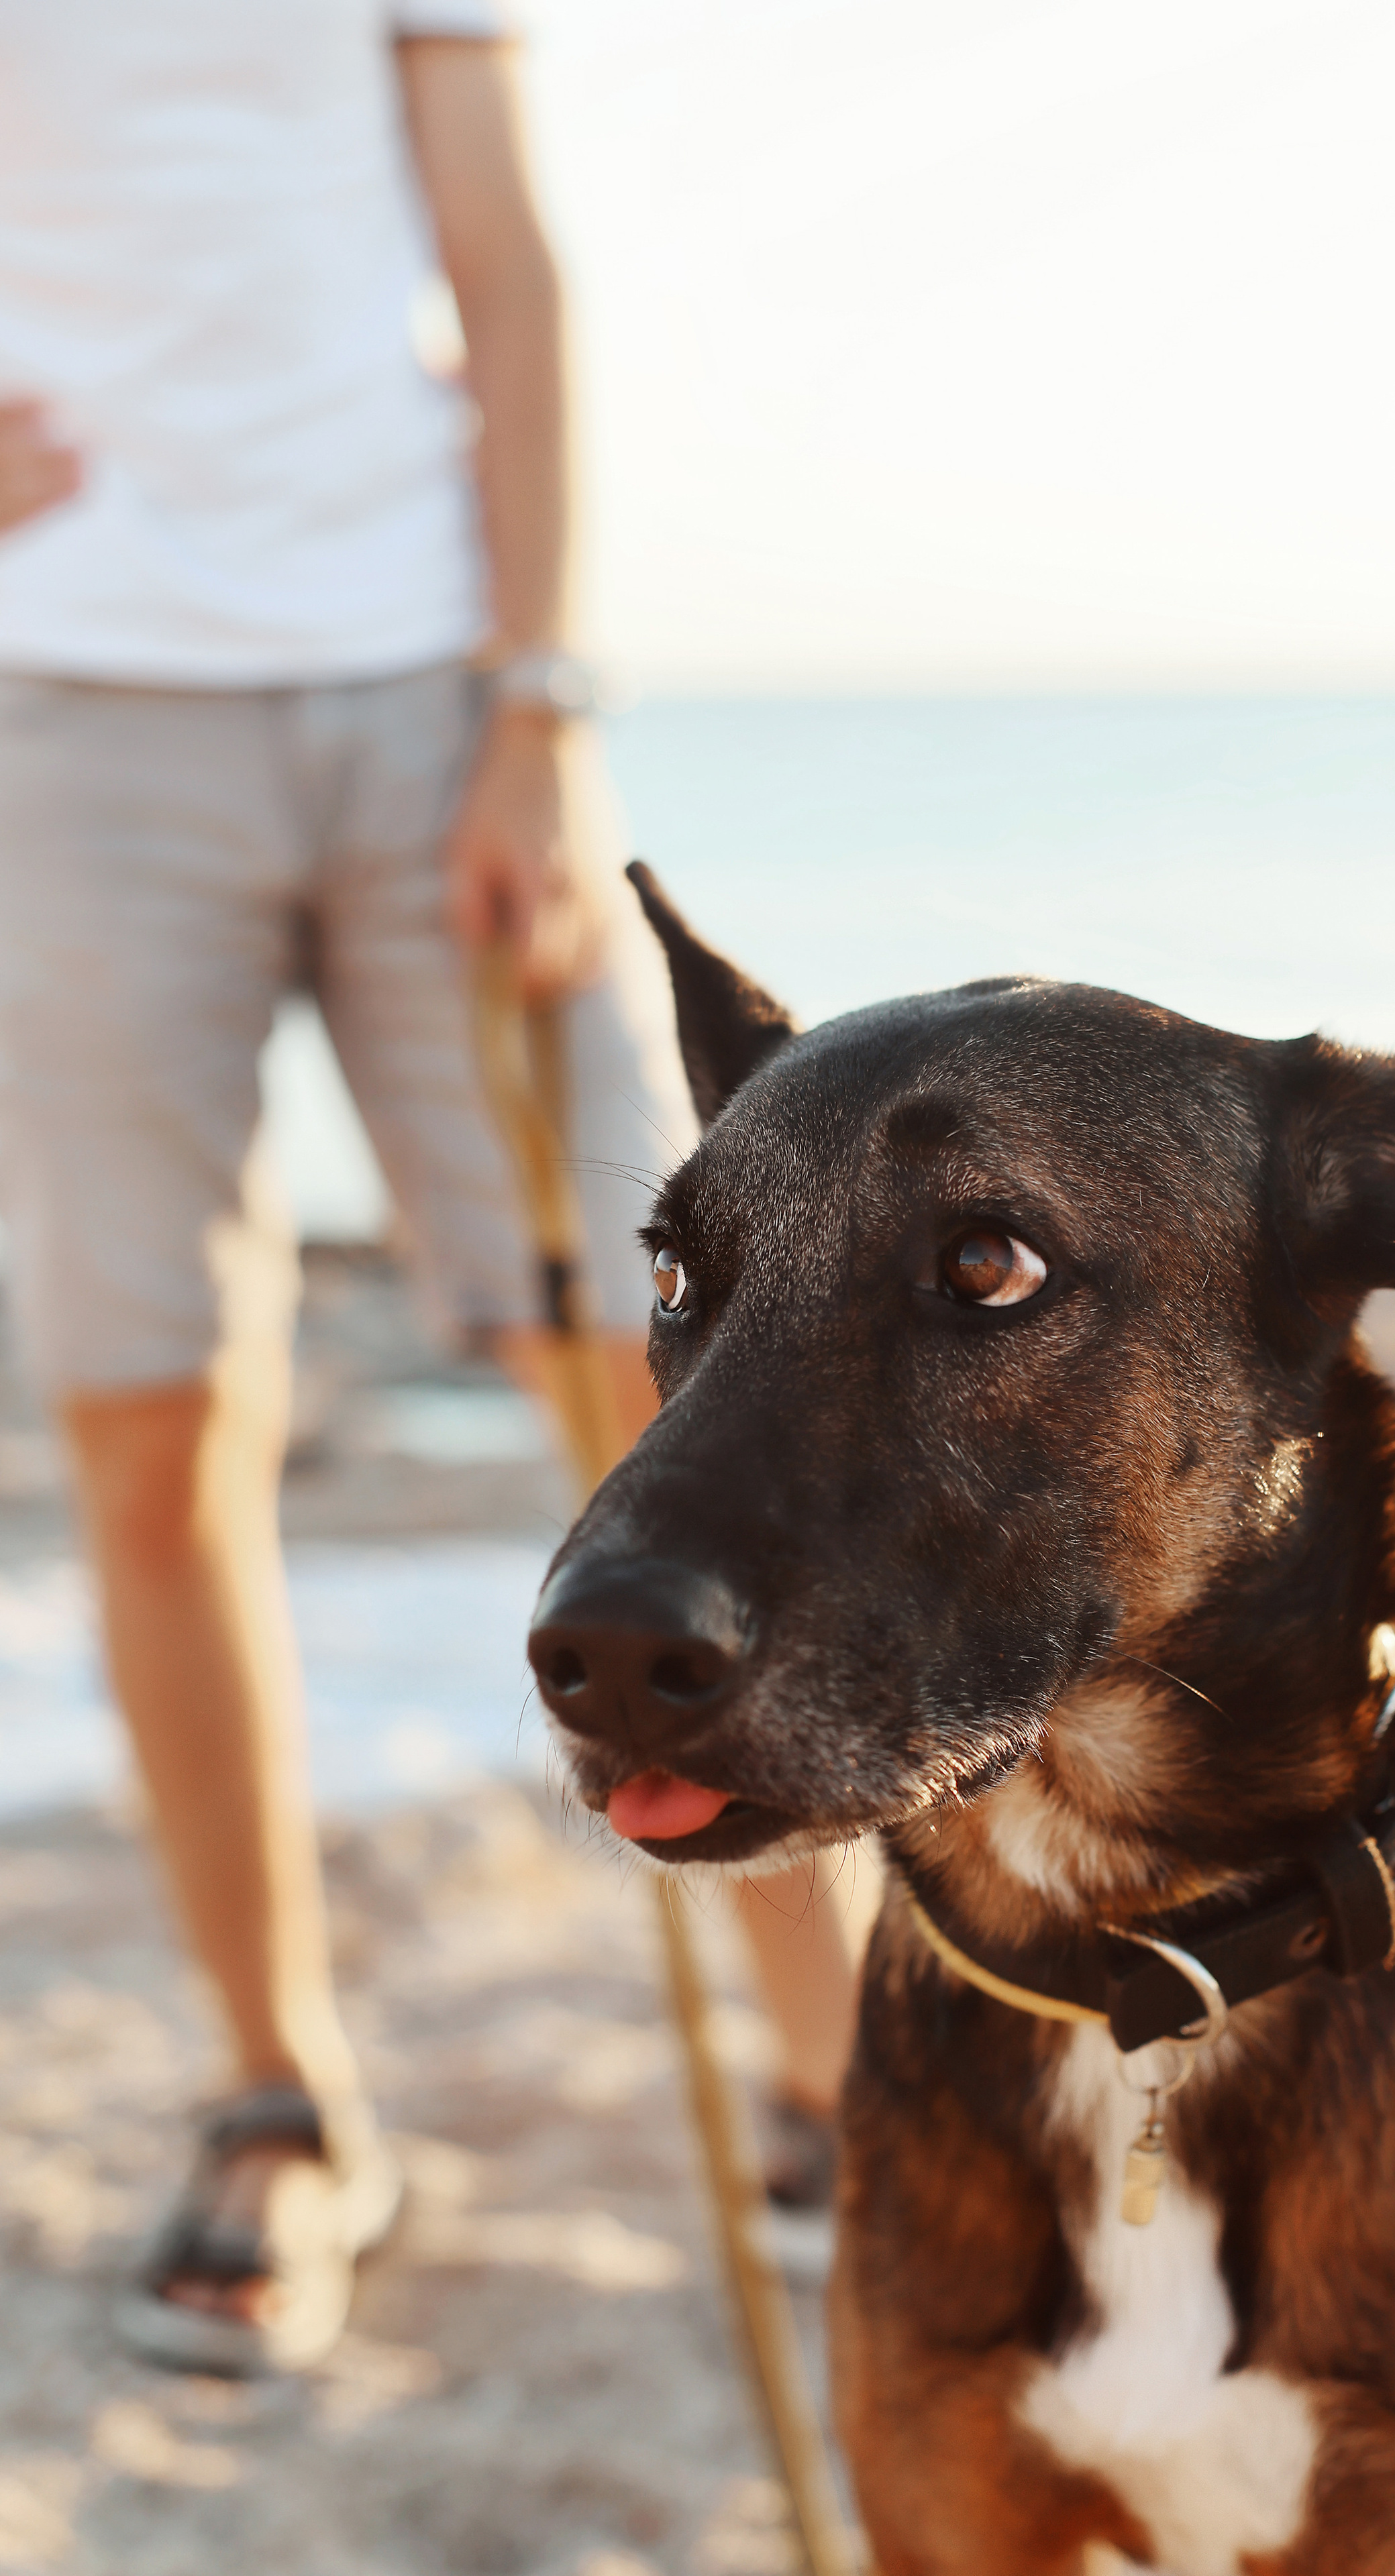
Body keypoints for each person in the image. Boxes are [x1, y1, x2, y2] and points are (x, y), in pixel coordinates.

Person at [0, 2, 856, 2375]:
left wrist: (540, 699)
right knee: (154, 1416)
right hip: (63, 718)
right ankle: (279, 2097)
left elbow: (508, 253)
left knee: (660, 1363)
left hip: (432, 694)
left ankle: (850, 2074)